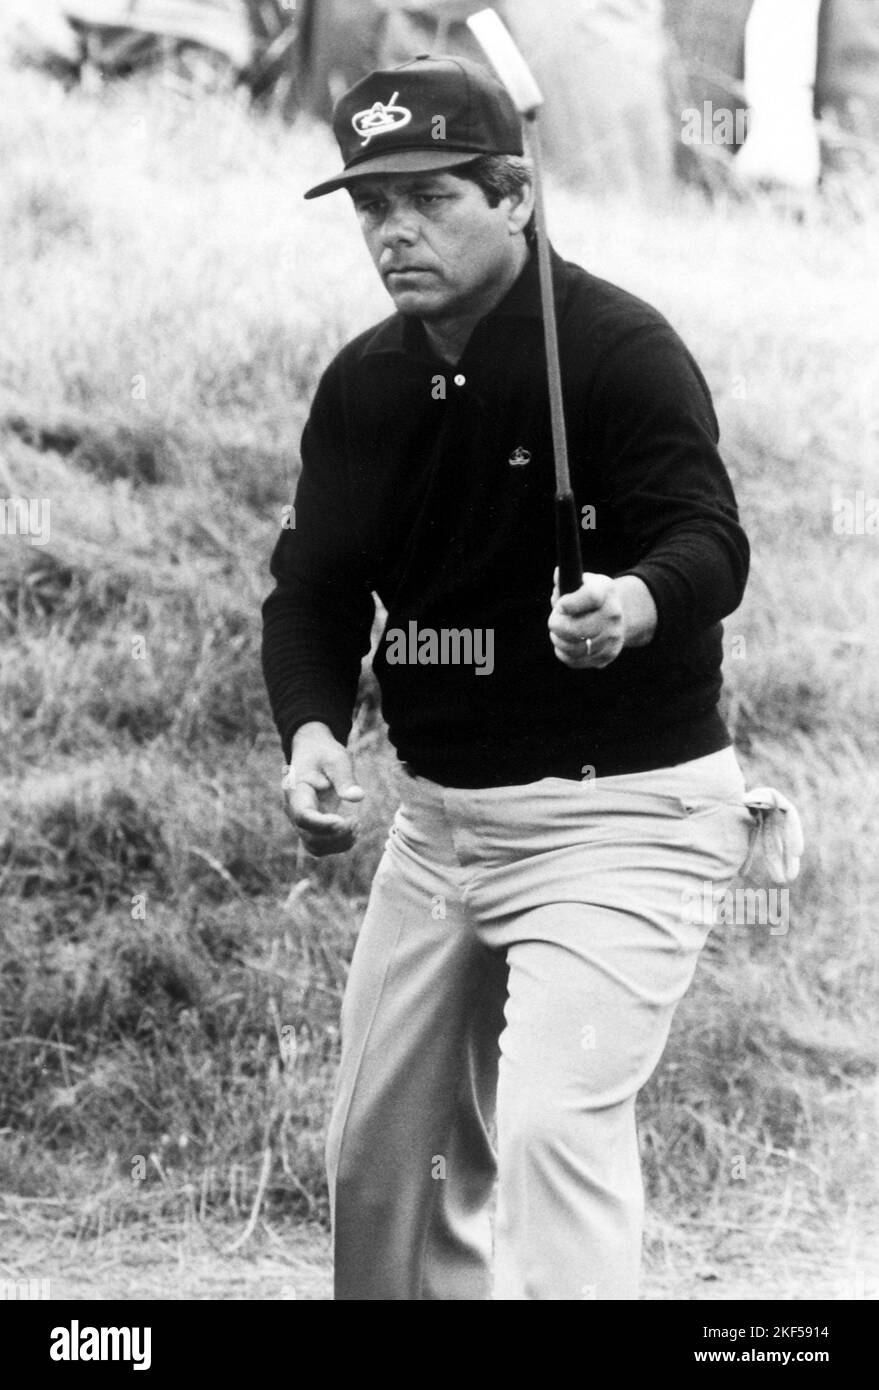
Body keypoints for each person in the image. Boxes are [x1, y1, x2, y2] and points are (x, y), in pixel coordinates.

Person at [261, 53, 781, 1300]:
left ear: (515, 197)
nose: (396, 232)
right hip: (441, 830)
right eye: (374, 207)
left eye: (432, 199)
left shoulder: (616, 350)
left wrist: (637, 601)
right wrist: (315, 733)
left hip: (625, 817)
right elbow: (316, 591)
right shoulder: (365, 387)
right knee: (378, 1168)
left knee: (554, 1131)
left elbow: (709, 536)